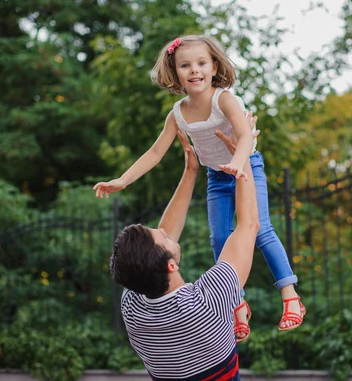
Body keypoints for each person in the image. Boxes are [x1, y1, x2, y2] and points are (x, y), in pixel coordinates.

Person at [94, 35, 305, 341]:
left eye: (201, 63)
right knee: (220, 236)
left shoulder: (224, 100)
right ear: (174, 71)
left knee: (261, 230)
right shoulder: (178, 114)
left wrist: (237, 161)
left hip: (246, 165)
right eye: (185, 65)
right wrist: (122, 180)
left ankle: (290, 295)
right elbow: (155, 152)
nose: (194, 70)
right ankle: (236, 303)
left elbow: (246, 136)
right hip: (217, 177)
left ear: (214, 66)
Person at [110, 129, 257, 380]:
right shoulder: (209, 298)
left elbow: (157, 247)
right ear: (170, 266)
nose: (165, 231)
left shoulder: (133, 305)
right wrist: (242, 155)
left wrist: (190, 172)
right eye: (163, 237)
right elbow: (249, 224)